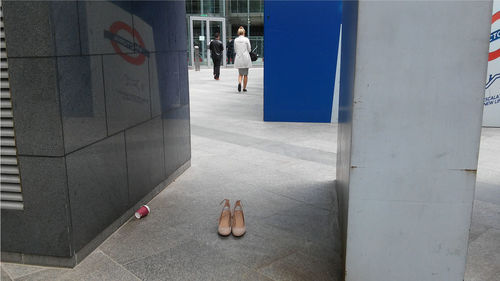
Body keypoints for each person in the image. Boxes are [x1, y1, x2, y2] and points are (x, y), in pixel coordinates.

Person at [233, 26, 252, 92]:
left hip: (239, 57)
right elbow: (249, 49)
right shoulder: (246, 39)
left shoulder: (235, 40)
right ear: (244, 32)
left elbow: (235, 50)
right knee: (246, 74)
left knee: (240, 74)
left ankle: (239, 82)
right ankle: (244, 88)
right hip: (246, 57)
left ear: (238, 33)